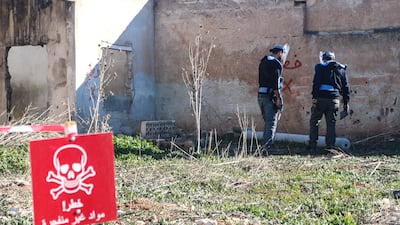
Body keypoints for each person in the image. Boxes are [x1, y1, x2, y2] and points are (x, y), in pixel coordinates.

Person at [307, 51, 350, 152]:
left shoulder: (320, 67)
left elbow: (316, 83)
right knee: (331, 123)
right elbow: (346, 87)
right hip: (334, 99)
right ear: (333, 58)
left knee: (314, 121)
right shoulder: (341, 69)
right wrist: (346, 103)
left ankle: (312, 145)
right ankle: (330, 146)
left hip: (320, 98)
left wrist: (314, 97)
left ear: (324, 59)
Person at [258, 45, 285, 152]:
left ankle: (265, 144)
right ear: (280, 53)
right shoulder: (276, 64)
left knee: (267, 121)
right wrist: (278, 98)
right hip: (270, 96)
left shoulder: (263, 61)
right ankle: (267, 147)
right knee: (271, 122)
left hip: (260, 94)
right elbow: (275, 83)